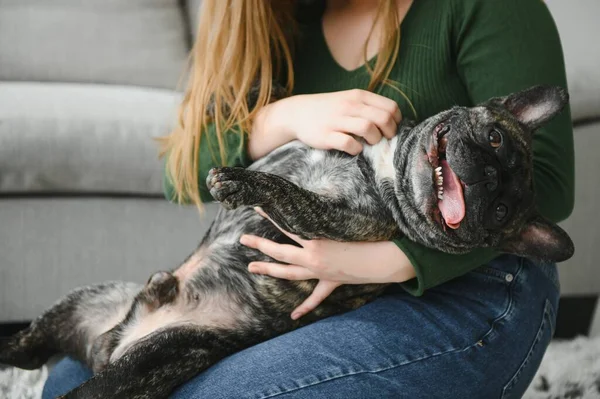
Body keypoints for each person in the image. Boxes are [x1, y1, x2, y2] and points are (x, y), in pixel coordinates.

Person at [42, 0, 574, 397]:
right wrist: (281, 117)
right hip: (318, 304)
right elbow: (177, 174)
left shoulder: (484, 6)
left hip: (475, 286)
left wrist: (384, 260)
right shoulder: (277, 20)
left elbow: (549, 184)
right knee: (77, 374)